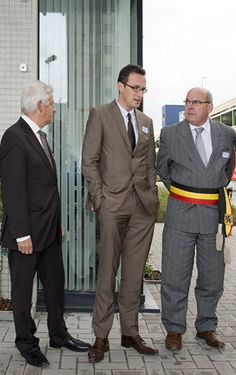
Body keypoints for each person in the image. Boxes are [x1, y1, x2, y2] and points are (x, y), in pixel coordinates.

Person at [0, 81, 90, 368]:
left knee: (54, 286)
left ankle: (58, 335)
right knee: (23, 291)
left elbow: (45, 187)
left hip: (48, 230)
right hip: (26, 233)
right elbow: (13, 190)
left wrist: (57, 223)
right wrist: (22, 233)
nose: (53, 108)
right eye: (51, 103)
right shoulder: (15, 136)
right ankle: (26, 343)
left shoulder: (39, 136)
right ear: (40, 106)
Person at [82, 64, 159, 363]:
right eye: (135, 88)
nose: (139, 94)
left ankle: (130, 333)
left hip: (142, 207)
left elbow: (149, 164)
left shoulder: (147, 122)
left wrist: (151, 194)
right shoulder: (100, 114)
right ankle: (101, 336)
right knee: (107, 272)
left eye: (143, 89)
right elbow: (89, 161)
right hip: (111, 204)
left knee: (133, 274)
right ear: (120, 86)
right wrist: (100, 199)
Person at [156, 87, 235, 351]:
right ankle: (174, 329)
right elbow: (162, 169)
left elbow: (226, 170)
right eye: (187, 102)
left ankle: (207, 326)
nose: (190, 107)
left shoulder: (226, 134)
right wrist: (185, 192)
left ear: (210, 107)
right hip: (181, 212)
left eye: (196, 102)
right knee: (175, 275)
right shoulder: (170, 134)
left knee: (212, 276)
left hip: (213, 216)